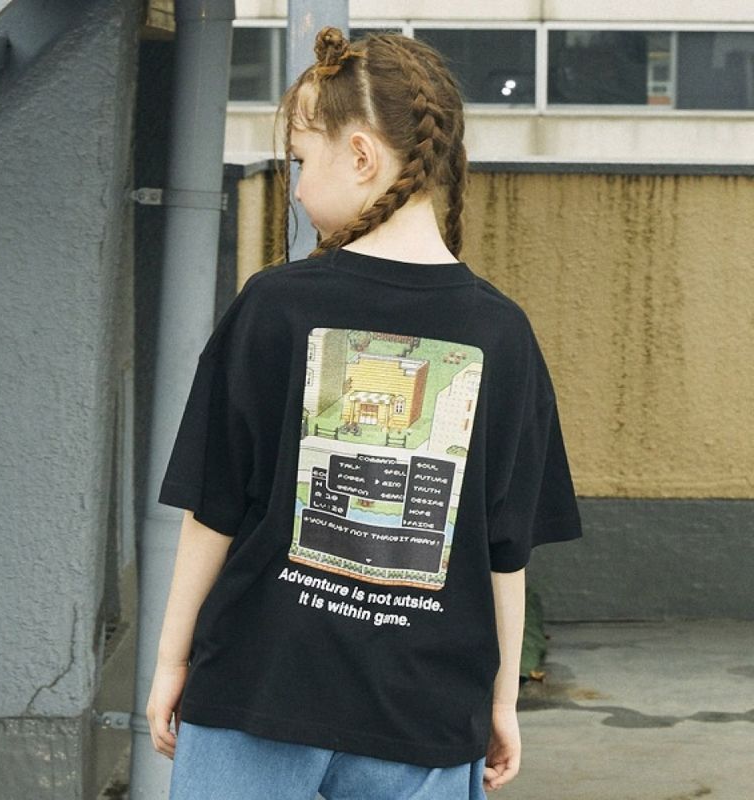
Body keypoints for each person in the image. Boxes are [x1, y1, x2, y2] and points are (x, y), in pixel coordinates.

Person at [147, 26, 582, 800]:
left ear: (358, 156)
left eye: (301, 161)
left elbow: (213, 509)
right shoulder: (502, 334)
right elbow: (505, 548)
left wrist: (170, 661)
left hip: (257, 690)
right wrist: (500, 702)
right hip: (424, 714)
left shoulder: (275, 306)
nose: (296, 188)